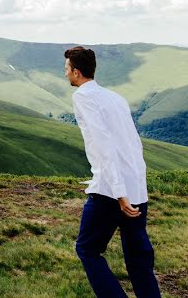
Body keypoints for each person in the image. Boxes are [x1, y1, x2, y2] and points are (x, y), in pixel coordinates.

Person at [65, 46, 161, 298]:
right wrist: (135, 187)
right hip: (136, 188)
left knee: (87, 249)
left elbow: (102, 145)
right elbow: (133, 143)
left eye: (66, 69)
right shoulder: (115, 98)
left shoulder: (83, 97)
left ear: (76, 72)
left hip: (111, 191)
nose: (65, 74)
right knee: (138, 260)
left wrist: (119, 193)